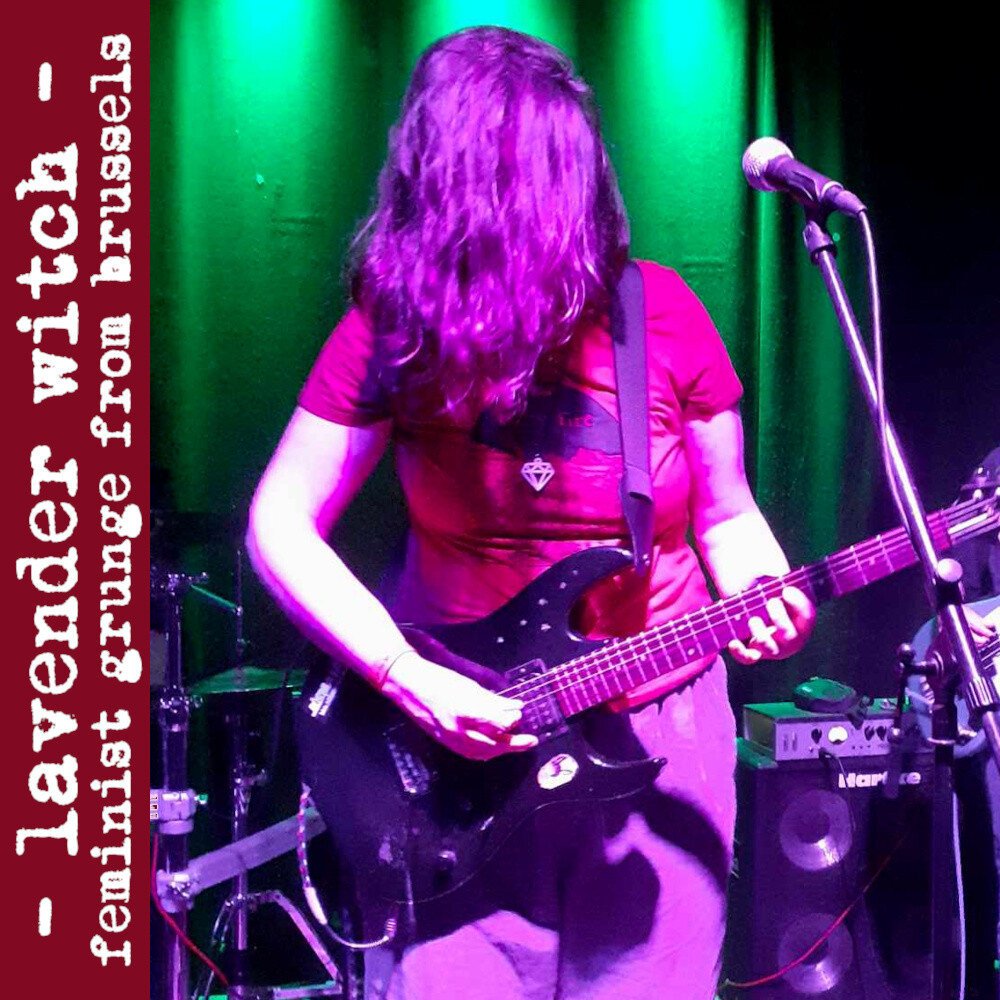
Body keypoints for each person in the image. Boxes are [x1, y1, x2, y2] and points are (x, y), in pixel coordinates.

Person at [246, 26, 815, 1000]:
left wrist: (762, 587)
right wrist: (408, 676)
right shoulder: (396, 329)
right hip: (452, 752)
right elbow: (278, 523)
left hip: (658, 730)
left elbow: (725, 516)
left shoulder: (660, 316)